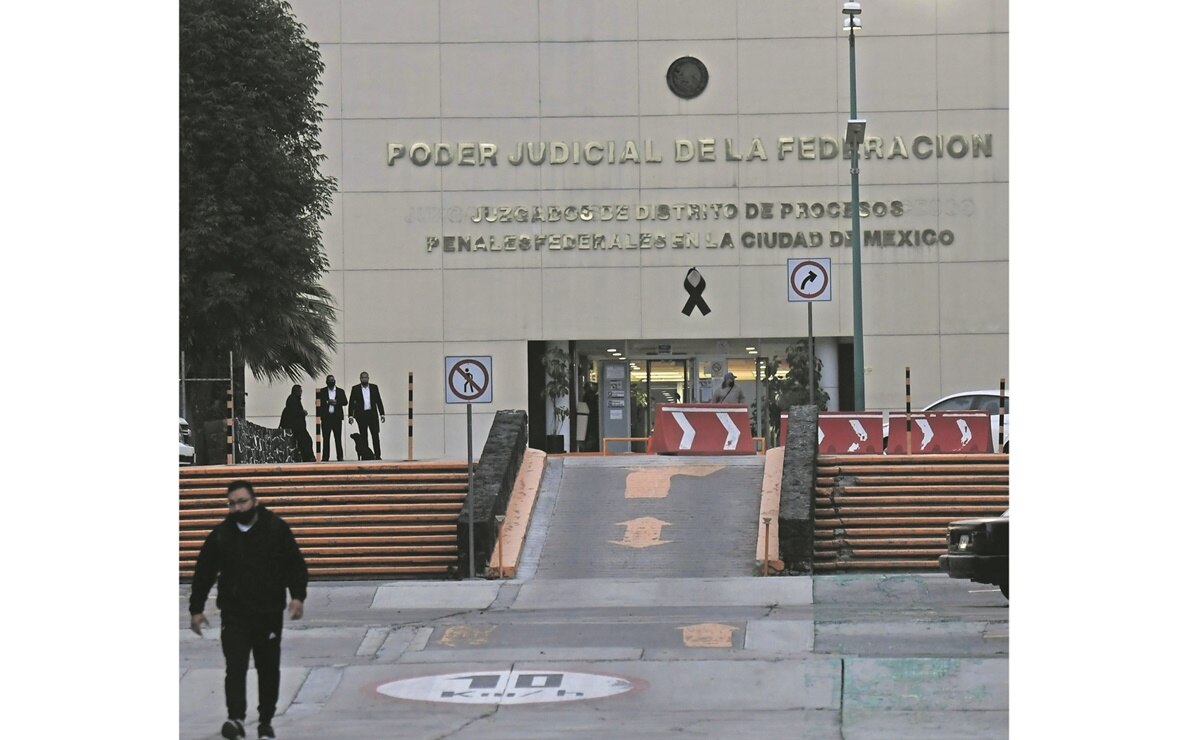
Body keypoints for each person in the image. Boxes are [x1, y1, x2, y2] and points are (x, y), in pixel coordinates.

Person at [189, 481, 308, 740]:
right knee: (235, 667)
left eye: (242, 501)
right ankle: (237, 719)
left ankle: (265, 721)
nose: (237, 507)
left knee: (268, 669)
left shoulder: (275, 529)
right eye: (232, 503)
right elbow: (204, 572)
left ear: (254, 500)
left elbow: (294, 564)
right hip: (234, 615)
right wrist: (196, 609)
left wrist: (297, 596)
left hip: (268, 614)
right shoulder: (222, 535)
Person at [348, 370, 386, 460]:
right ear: (360, 379)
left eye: (366, 377)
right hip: (361, 415)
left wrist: (382, 414)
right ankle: (366, 455)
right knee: (363, 436)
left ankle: (377, 455)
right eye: (362, 377)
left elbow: (378, 401)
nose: (364, 379)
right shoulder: (355, 388)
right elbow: (351, 403)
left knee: (375, 435)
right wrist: (350, 416)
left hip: (372, 414)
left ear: (368, 378)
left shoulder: (374, 387)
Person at [278, 384, 315, 462]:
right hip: (296, 427)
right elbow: (294, 412)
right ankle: (308, 457)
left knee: (306, 441)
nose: (301, 392)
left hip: (298, 427)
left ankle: (308, 457)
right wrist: (302, 413)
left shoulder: (294, 399)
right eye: (300, 391)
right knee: (306, 441)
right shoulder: (292, 399)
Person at [316, 374, 347, 462]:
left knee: (338, 438)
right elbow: (318, 402)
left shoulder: (340, 391)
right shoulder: (322, 391)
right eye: (329, 381)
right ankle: (325, 457)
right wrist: (327, 402)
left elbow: (345, 402)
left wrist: (336, 402)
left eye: (332, 380)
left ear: (335, 381)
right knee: (326, 439)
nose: (331, 382)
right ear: (326, 382)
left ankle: (340, 456)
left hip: (337, 418)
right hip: (326, 418)